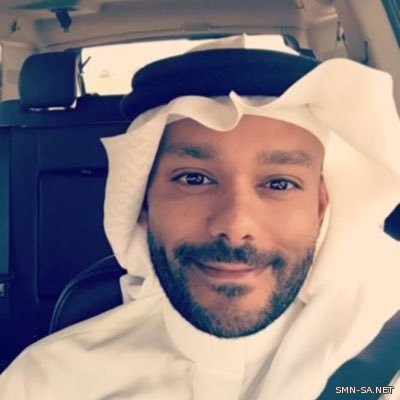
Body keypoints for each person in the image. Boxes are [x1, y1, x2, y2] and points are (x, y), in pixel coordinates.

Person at [1, 36, 400, 400]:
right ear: (142, 204)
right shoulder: (43, 384)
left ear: (320, 208)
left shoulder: (384, 353)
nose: (236, 225)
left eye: (279, 184)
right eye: (194, 179)